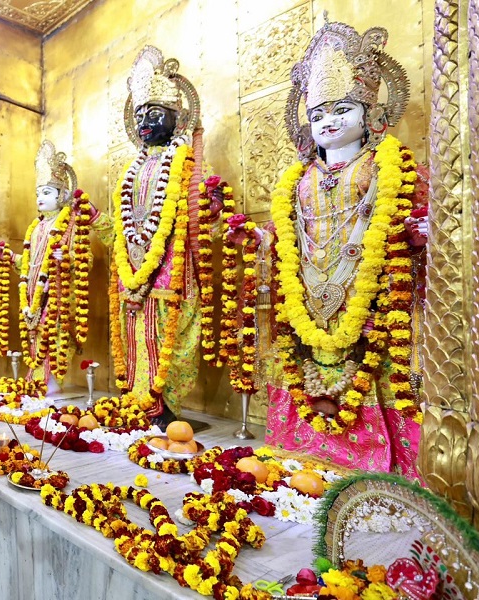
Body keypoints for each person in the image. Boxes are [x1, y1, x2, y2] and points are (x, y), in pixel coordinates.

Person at [232, 18, 427, 475]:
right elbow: (286, 238)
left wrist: (418, 232)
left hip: (369, 290)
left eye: (341, 109)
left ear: (371, 115)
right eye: (317, 115)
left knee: (370, 360)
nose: (329, 122)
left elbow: (411, 221)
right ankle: (306, 448)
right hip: (307, 291)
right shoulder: (297, 179)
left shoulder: (387, 166)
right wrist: (258, 241)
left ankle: (374, 460)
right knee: (301, 361)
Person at [96, 46, 219, 424]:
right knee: (133, 336)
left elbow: (201, 216)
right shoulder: (130, 169)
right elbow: (120, 224)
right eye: (138, 115)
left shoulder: (185, 163)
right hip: (131, 268)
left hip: (171, 266)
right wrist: (97, 221)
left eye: (154, 113)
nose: (144, 121)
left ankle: (166, 407)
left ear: (178, 117)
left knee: (171, 337)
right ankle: (135, 399)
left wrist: (213, 207)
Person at [0, 140, 100, 393]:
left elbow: (85, 257)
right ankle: (36, 378)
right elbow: (30, 265)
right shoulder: (36, 227)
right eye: (38, 193)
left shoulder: (70, 224)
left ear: (62, 196)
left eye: (46, 192)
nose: (39, 198)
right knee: (33, 334)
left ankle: (52, 379)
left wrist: (65, 257)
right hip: (33, 291)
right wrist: (12, 257)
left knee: (51, 333)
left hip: (57, 291)